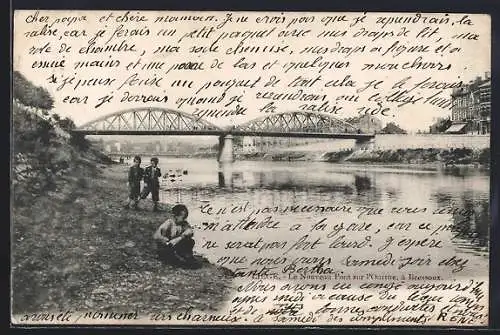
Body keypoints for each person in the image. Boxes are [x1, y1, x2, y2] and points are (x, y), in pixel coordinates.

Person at [153, 204, 200, 268]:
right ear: (175, 216)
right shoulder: (169, 223)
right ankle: (174, 258)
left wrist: (179, 238)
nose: (184, 219)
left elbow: (190, 231)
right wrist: (166, 241)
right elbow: (156, 236)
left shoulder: (184, 224)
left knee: (190, 241)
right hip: (166, 247)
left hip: (175, 246)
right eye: (183, 217)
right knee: (179, 262)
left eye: (185, 217)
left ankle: (185, 256)